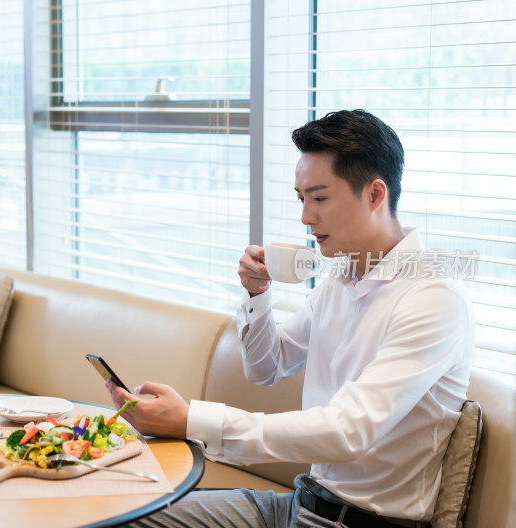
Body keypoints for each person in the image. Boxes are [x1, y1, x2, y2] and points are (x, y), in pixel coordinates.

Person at [106, 109, 475, 528]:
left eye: (319, 198)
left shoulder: (432, 298)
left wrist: (193, 420)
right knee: (121, 512)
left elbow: (346, 432)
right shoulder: (342, 278)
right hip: (300, 503)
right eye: (301, 199)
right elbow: (266, 367)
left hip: (358, 521)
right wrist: (257, 296)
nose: (306, 217)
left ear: (374, 195)